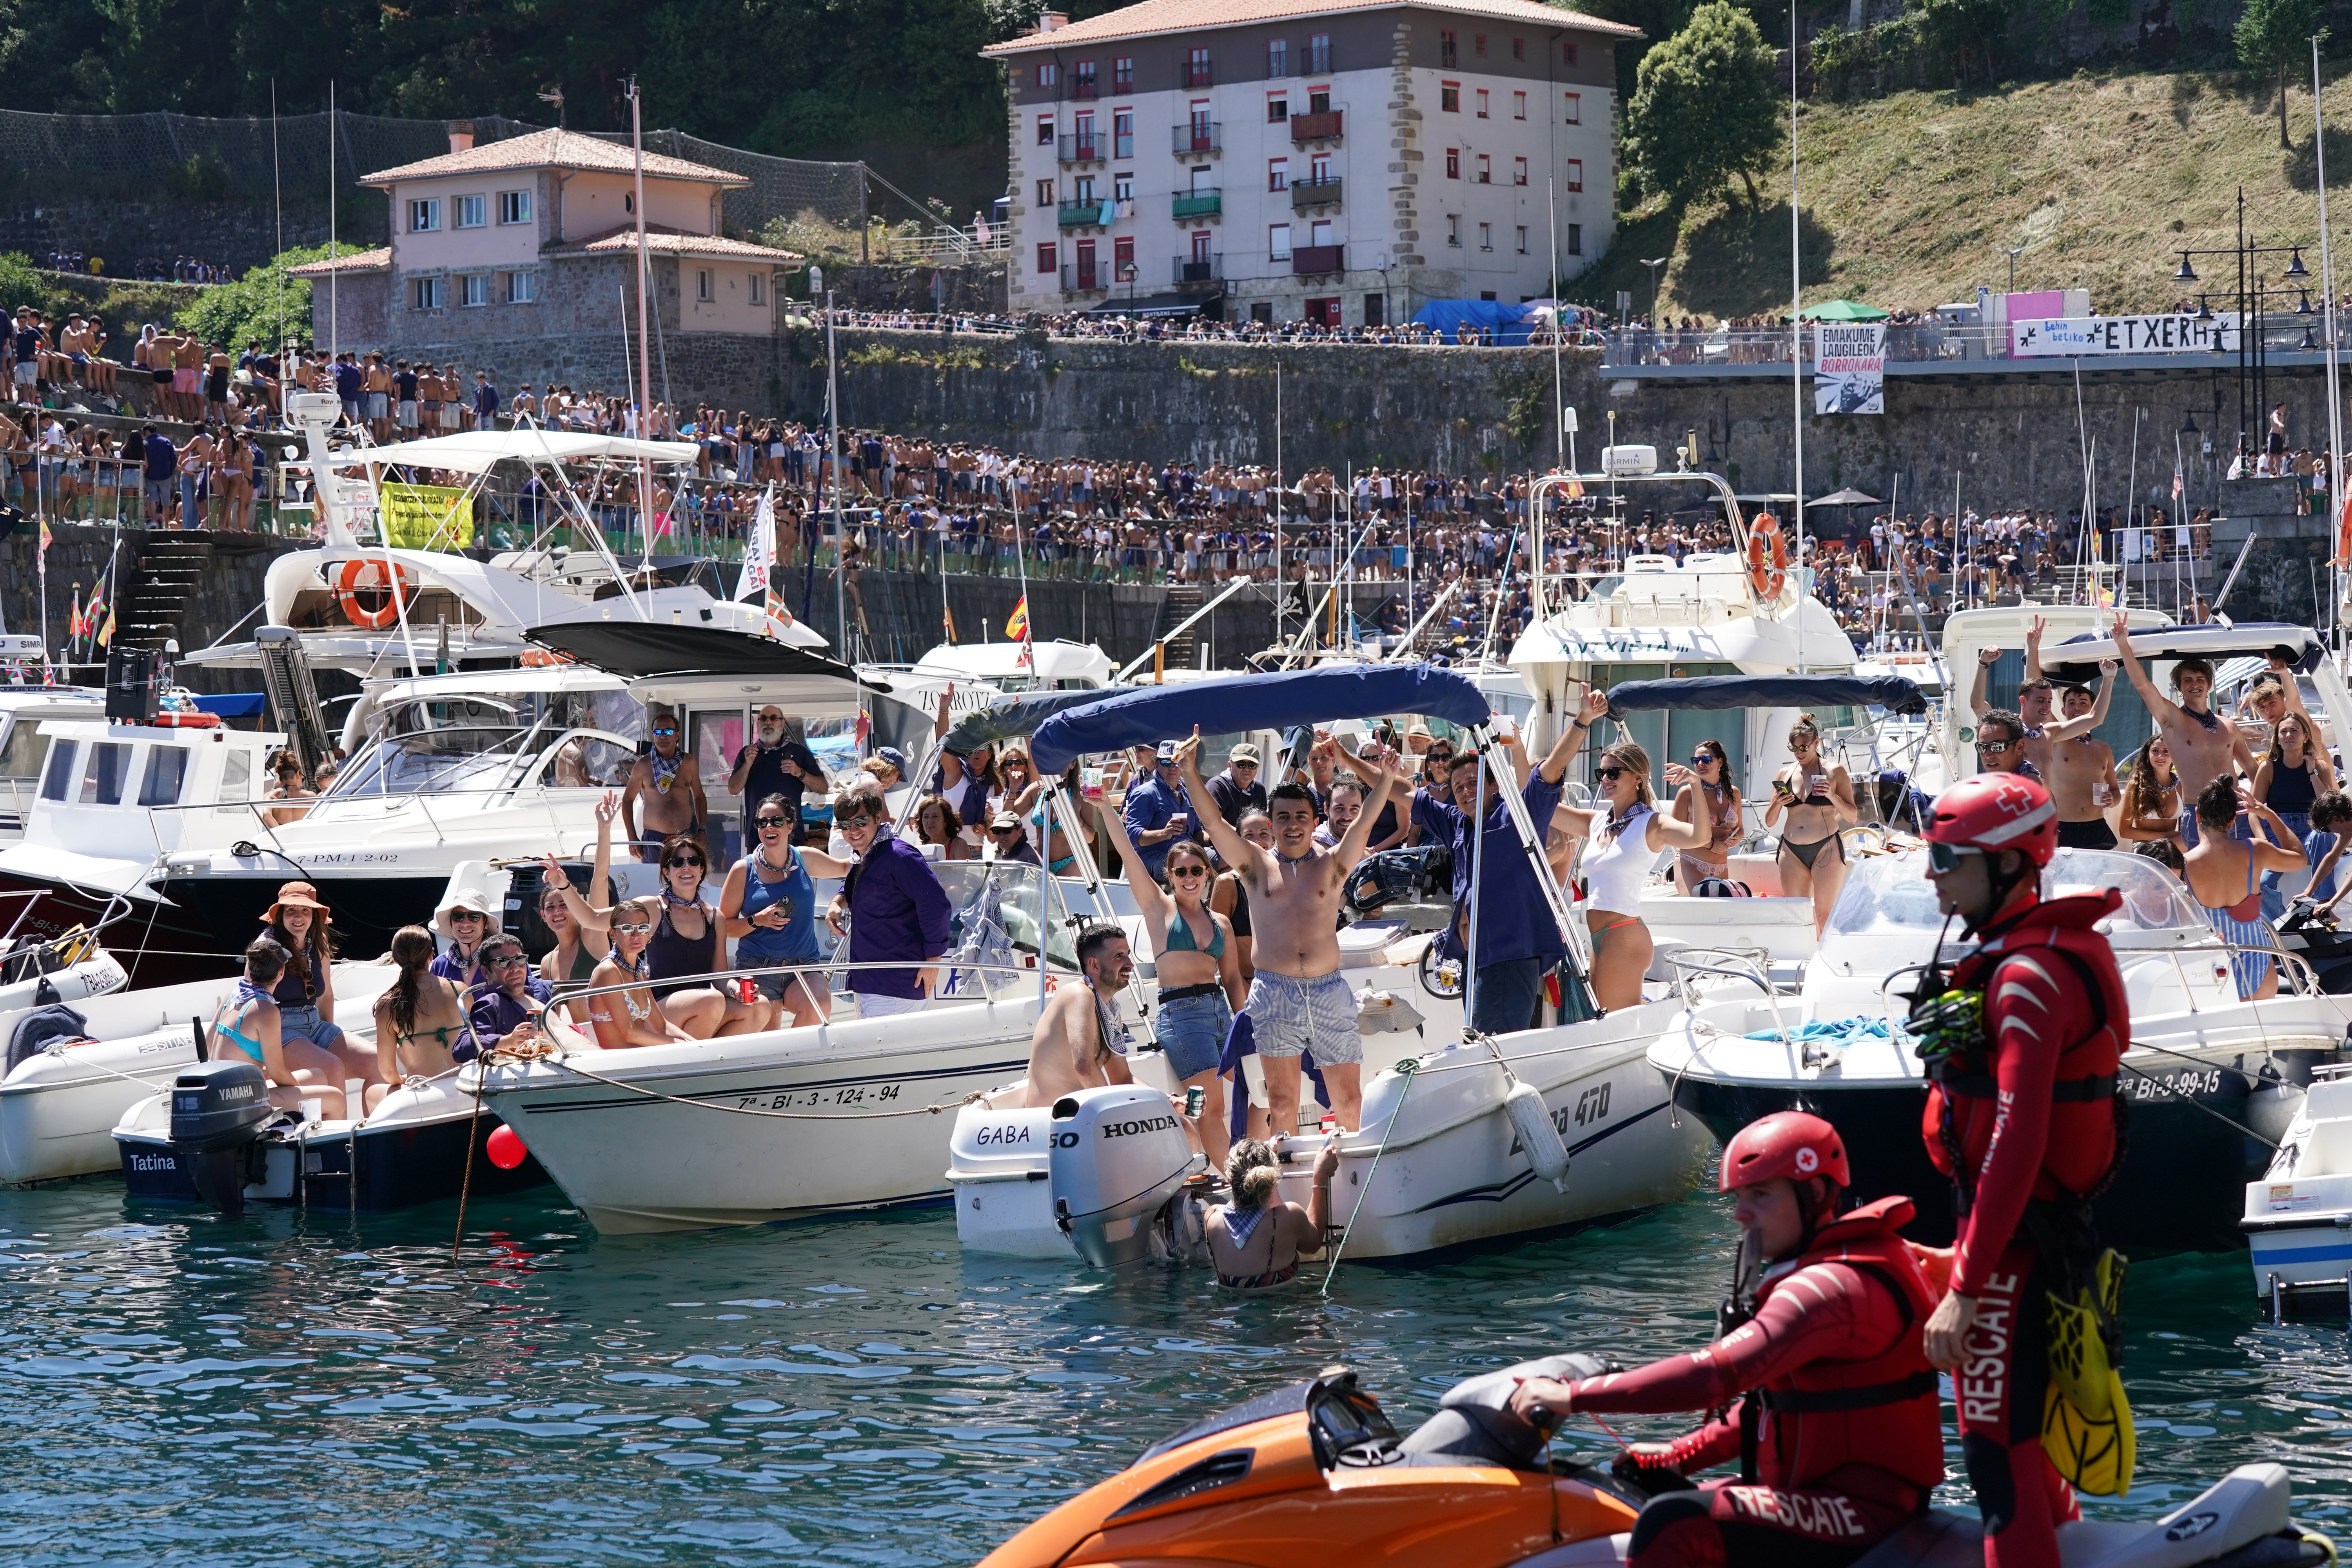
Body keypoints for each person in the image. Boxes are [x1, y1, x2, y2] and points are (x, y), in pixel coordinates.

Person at [1508, 1112, 1942, 1568]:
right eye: (1738, 1197)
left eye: (1761, 1195)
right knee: (1633, 1490)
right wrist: (1681, 1455)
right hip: (1818, 1497)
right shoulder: (1825, 1269)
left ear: (1815, 1193)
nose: (1740, 1214)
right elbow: (1775, 1408)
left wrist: (1571, 1396)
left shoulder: (1832, 1289)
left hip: (1866, 1511)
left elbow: (1713, 1376)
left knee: (1674, 1523)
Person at [1916, 773, 2128, 1568]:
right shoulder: (2018, 958)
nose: (1932, 874)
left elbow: (2017, 1139)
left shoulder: (2029, 978)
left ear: (2008, 863)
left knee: (1995, 1459)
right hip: (2015, 1243)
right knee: (2024, 1449)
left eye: (1948, 858)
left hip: (2013, 1257)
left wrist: (1968, 1288)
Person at [1177, 726, 1392, 1134]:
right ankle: (1287, 1172)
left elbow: (1364, 823)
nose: (1293, 825)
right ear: (1271, 823)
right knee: (1281, 1101)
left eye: (1300, 817)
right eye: (1283, 818)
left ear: (1315, 821)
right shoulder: (1254, 866)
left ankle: (1357, 1168)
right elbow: (1213, 822)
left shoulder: (1332, 864)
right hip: (1274, 993)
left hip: (1329, 991)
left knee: (1349, 1099)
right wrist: (1189, 771)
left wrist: (1385, 778)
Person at [1098, 811, 1243, 1165]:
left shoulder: (1221, 923)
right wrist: (1104, 807)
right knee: (1210, 1108)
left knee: (1252, 1091)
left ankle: (1226, 1166)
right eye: (1181, 872)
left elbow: (1233, 979)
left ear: (1207, 873)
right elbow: (1128, 852)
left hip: (1221, 1015)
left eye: (1196, 870)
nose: (1189, 878)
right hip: (1182, 1017)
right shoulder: (1159, 908)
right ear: (1170, 876)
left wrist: (1245, 1023)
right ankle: (1237, 1181)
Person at [1553, 731, 1713, 1010]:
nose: (1605, 779)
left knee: (1615, 1022)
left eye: (1614, 773)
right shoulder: (1598, 823)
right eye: (1601, 773)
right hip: (1601, 936)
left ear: (1638, 778)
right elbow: (1541, 809)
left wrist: (1695, 786)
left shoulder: (1652, 824)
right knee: (1602, 1018)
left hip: (1624, 935)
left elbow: (1700, 837)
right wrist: (1516, 750)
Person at [2109, 616, 2257, 845]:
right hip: (2198, 809)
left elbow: (2252, 769)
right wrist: (2122, 644)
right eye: (2188, 680)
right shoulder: (2172, 720)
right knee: (2199, 867)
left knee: (2241, 864)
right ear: (2180, 687)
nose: (2195, 684)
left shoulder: (2229, 726)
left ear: (2209, 686)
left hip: (2235, 809)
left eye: (2200, 679)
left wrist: (2260, 805)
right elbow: (2143, 686)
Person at [818, 779, 954, 1018]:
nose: (854, 830)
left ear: (877, 817)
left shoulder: (900, 856)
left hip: (896, 987)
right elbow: (857, 883)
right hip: (870, 983)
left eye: (861, 821)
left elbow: (937, 907)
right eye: (845, 825)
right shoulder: (865, 856)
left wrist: (933, 962)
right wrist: (836, 903)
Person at [2181, 777, 2303, 999]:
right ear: (2232, 822)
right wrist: (2269, 815)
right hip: (2258, 964)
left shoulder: (2182, 866)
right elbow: (2300, 858)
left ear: (2198, 815)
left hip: (2210, 971)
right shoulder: (2256, 850)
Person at [211, 936, 355, 1120]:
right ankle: (329, 1139)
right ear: (281, 972)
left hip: (220, 1095)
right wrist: (301, 1093)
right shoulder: (265, 1010)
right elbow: (278, 1073)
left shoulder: (232, 996)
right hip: (240, 1101)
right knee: (336, 1099)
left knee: (318, 1076)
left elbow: (209, 1044)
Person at [720, 791, 830, 1028]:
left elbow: (847, 867)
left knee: (819, 1005)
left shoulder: (805, 858)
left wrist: (838, 900)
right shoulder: (743, 869)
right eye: (762, 822)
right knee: (767, 1042)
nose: (769, 827)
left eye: (777, 821)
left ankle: (795, 1053)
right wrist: (756, 920)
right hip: (758, 966)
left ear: (791, 826)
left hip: (804, 965)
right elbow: (724, 927)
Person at [257, 880, 377, 1092]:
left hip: (315, 1024)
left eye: (305, 910)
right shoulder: (267, 945)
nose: (298, 917)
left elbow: (326, 994)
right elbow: (252, 1001)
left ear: (314, 915)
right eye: (291, 910)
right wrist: (262, 1055)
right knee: (333, 1067)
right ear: (281, 915)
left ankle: (376, 1116)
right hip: (280, 1030)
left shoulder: (318, 940)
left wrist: (329, 1040)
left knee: (376, 1060)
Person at [1019, 922, 1145, 1107]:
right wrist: (1116, 1109)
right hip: (1053, 1118)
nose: (1130, 964)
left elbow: (1123, 1078)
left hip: (1082, 1115)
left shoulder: (1110, 1010)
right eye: (1119, 956)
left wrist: (1166, 1100)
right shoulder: (1079, 995)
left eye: (1128, 955)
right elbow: (1084, 1068)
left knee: (1180, 1120)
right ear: (1094, 964)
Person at [2017, 635, 2121, 848]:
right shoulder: (2053, 736)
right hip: (2063, 827)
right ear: (2063, 710)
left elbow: (2115, 791)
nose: (2077, 707)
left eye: (2083, 703)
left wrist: (2113, 800)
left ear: (2091, 708)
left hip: (2097, 827)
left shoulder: (2103, 748)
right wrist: (2033, 648)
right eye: (2072, 703)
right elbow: (2035, 687)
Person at [1762, 715, 1855, 935]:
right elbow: (1770, 821)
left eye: (1804, 747)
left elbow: (1852, 816)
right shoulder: (1785, 774)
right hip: (1791, 851)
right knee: (1797, 915)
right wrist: (1777, 803)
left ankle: (1827, 954)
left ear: (1816, 743)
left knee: (1825, 914)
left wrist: (1831, 795)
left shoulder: (1835, 771)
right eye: (1793, 748)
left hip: (1826, 848)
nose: (1799, 753)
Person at [1207, 1137, 1338, 1290]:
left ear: (1229, 1180)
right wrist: (1320, 1177)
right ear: (1271, 1179)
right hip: (1284, 1303)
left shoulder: (1212, 1217)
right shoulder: (1290, 1216)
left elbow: (1265, 1213)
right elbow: (1313, 1246)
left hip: (1228, 1305)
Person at [584, 897, 699, 1049]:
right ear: (612, 934)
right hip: (621, 1061)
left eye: (643, 928)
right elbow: (629, 1033)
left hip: (643, 1057)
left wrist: (698, 1045)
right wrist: (682, 1046)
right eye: (627, 929)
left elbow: (662, 1026)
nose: (636, 935)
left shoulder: (639, 973)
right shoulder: (608, 971)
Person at [2254, 706, 2337, 913]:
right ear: (2278, 738)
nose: (2288, 735)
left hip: (2311, 833)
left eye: (2294, 731)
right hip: (2279, 836)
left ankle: (2324, 905)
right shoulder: (2268, 768)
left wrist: (2312, 773)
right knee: (2262, 884)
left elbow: (2328, 806)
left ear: (2305, 736)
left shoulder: (2320, 767)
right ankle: (2282, 923)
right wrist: (2263, 841)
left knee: (2324, 835)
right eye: (2283, 732)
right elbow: (2254, 811)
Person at [374, 926, 479, 1084]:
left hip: (425, 1087)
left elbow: (388, 1072)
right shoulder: (460, 991)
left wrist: (402, 1081)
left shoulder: (388, 1005)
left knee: (374, 1092)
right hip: (466, 1081)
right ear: (431, 955)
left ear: (395, 959)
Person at [727, 706, 827, 846]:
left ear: (783, 723)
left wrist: (800, 773)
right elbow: (733, 789)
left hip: (791, 836)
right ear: (758, 723)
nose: (768, 722)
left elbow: (823, 788)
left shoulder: (800, 753)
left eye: (774, 718)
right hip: (758, 836)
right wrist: (748, 765)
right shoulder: (748, 753)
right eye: (763, 718)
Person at [622, 709, 708, 863]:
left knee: (685, 877)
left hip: (683, 837)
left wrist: (702, 830)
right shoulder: (643, 765)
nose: (663, 736)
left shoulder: (689, 763)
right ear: (653, 736)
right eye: (658, 732)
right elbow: (627, 800)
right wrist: (632, 837)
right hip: (654, 840)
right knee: (654, 879)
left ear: (677, 735)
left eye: (668, 731)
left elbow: (699, 797)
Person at [1663, 737, 1743, 891]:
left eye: (1707, 759)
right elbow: (1674, 835)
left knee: (1717, 908)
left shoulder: (1733, 793)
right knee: (1695, 906)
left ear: (1720, 762)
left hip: (1721, 867)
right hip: (1691, 863)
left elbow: (1740, 829)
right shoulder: (1687, 793)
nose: (1700, 764)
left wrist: (1735, 839)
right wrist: (1711, 844)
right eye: (1696, 760)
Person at [1120, 739, 1195, 882]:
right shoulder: (1141, 789)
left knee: (1229, 857)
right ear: (1157, 764)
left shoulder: (1186, 792)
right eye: (1166, 762)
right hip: (1154, 856)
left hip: (1187, 853)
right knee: (1184, 868)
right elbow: (1133, 837)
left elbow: (1197, 831)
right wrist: (1164, 833)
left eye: (1177, 762)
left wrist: (1217, 839)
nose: (1172, 767)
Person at [468, 932, 552, 1056]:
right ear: (486, 972)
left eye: (520, 959)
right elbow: (463, 1045)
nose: (515, 968)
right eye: (504, 962)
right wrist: (508, 1041)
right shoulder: (490, 1003)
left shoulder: (538, 995)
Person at [2113, 738, 2182, 846]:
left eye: (2166, 751)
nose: (2160, 756)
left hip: (2172, 846)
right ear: (2148, 755)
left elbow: (2186, 828)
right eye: (2155, 751)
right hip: (2145, 846)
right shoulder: (2136, 785)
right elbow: (2125, 831)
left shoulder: (2181, 786)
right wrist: (2165, 837)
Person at [431, 888, 499, 996]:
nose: (465, 923)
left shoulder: (506, 961)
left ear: (486, 923)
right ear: (451, 923)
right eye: (458, 917)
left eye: (474, 917)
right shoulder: (440, 965)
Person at [1205, 741, 1269, 828]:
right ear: (1230, 765)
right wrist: (1240, 835)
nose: (1247, 769)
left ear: (1257, 767)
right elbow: (1212, 822)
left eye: (1252, 765)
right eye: (1241, 764)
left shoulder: (1259, 788)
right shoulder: (1217, 786)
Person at [913, 793, 971, 860]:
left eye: (935, 816)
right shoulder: (919, 849)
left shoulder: (958, 845)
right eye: (926, 817)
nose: (930, 821)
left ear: (946, 821)